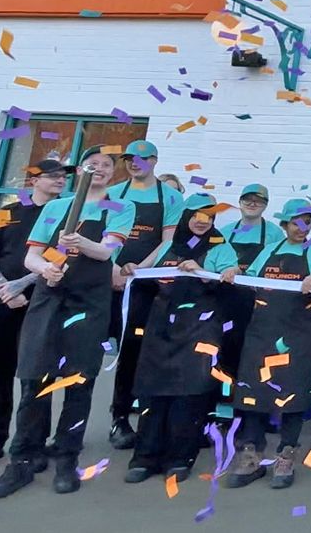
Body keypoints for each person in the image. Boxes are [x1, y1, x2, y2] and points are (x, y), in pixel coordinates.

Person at [0, 147, 134, 499]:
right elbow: (31, 255)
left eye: (105, 165)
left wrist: (80, 241)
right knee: (35, 378)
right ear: (79, 171)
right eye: (91, 164)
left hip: (90, 303)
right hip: (49, 300)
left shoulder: (121, 207)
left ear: (113, 173)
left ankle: (67, 455)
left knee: (79, 381)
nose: (98, 169)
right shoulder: (54, 208)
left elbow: (105, 251)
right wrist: (45, 269)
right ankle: (22, 459)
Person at [224, 199, 311, 490]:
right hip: (261, 333)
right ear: (285, 225)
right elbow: (250, 280)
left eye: (307, 222)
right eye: (297, 222)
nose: (302, 227)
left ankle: (286, 454)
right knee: (254, 392)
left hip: (299, 336)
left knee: (294, 394)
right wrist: (235, 272)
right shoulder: (269, 250)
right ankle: (250, 453)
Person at [0, 159, 69, 470]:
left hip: (41, 304)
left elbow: (57, 260)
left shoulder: (65, 216)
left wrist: (19, 287)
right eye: (52, 176)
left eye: (63, 177)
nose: (60, 181)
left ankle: (32, 443)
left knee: (37, 376)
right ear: (33, 179)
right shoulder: (6, 213)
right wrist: (4, 290)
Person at [124, 194, 229, 484]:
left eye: (207, 216)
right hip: (160, 329)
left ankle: (180, 459)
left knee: (189, 396)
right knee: (152, 392)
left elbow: (232, 279)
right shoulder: (169, 245)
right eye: (195, 214)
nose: (200, 220)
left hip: (200, 329)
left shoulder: (223, 247)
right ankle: (144, 458)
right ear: (185, 216)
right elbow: (139, 271)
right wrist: (131, 268)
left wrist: (204, 272)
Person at [108, 139, 185, 450]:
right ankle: (104, 420)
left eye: (140, 159)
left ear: (154, 160)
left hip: (147, 286)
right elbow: (101, 235)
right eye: (129, 159)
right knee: (105, 352)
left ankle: (135, 417)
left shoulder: (171, 197)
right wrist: (113, 268)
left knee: (138, 351)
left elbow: (169, 240)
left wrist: (140, 269)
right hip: (108, 283)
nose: (133, 163)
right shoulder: (113, 194)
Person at [214, 183, 285, 393]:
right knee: (225, 348)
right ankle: (224, 397)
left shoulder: (274, 234)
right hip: (228, 301)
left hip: (259, 304)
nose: (252, 204)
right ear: (240, 203)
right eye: (248, 199)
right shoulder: (225, 232)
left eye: (259, 200)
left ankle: (249, 397)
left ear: (266, 205)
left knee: (254, 351)